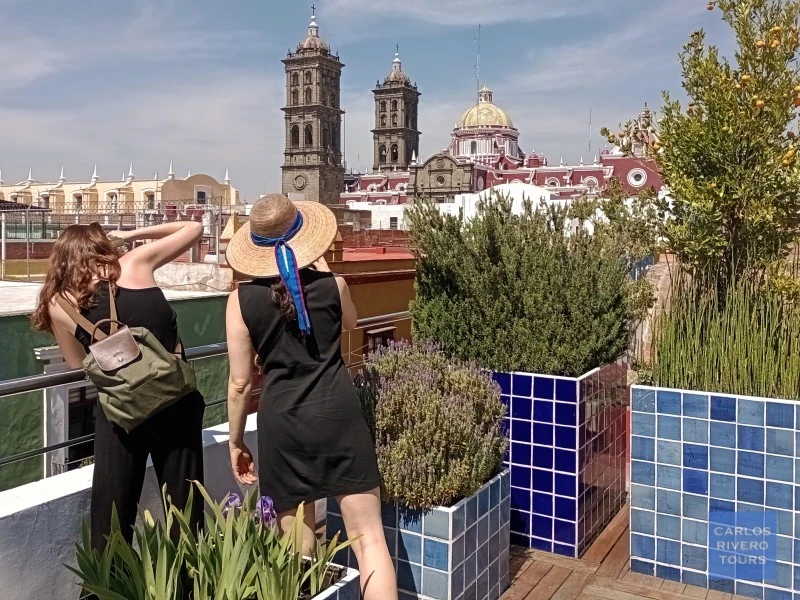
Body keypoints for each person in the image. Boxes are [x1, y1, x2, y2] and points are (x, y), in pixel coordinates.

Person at [225, 193, 397, 600]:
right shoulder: (333, 285)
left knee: (297, 550)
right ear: (304, 235)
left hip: (282, 421)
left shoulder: (240, 301)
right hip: (338, 412)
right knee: (369, 539)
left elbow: (239, 383)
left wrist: (235, 442)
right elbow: (351, 325)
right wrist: (323, 271)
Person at [31, 220, 206, 551]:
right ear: (102, 245)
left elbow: (74, 362)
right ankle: (186, 585)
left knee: (113, 511)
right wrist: (129, 235)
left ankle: (111, 584)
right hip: (175, 401)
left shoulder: (59, 302)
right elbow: (194, 228)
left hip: (121, 410)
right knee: (185, 508)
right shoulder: (134, 263)